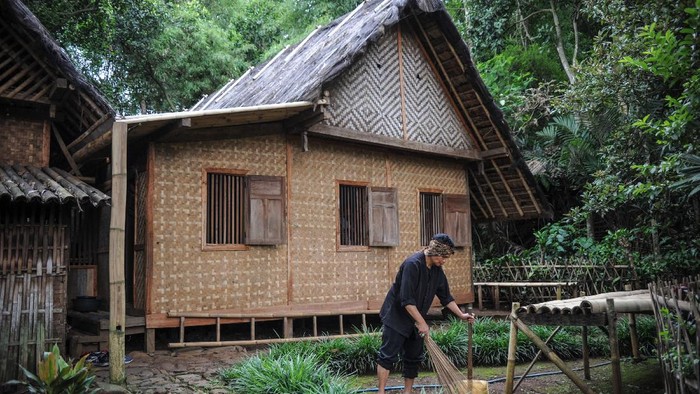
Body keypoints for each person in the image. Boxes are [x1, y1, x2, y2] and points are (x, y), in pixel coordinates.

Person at [376, 233, 475, 394]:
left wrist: (461, 315)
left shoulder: (437, 270)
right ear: (434, 251)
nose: (443, 261)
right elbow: (406, 300)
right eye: (442, 257)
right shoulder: (412, 265)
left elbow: (446, 297)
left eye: (446, 258)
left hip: (416, 317)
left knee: (413, 358)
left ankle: (408, 392)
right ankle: (381, 391)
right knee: (388, 356)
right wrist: (422, 323)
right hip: (397, 317)